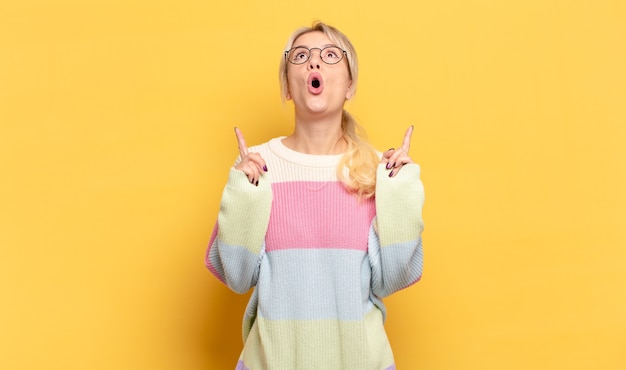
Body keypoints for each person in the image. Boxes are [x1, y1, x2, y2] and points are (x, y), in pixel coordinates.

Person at [205, 21, 425, 370]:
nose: (314, 63)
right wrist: (243, 193)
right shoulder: (258, 167)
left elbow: (394, 278)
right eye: (302, 55)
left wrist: (400, 192)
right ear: (288, 87)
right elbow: (236, 276)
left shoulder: (374, 172)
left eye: (330, 55)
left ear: (350, 85)